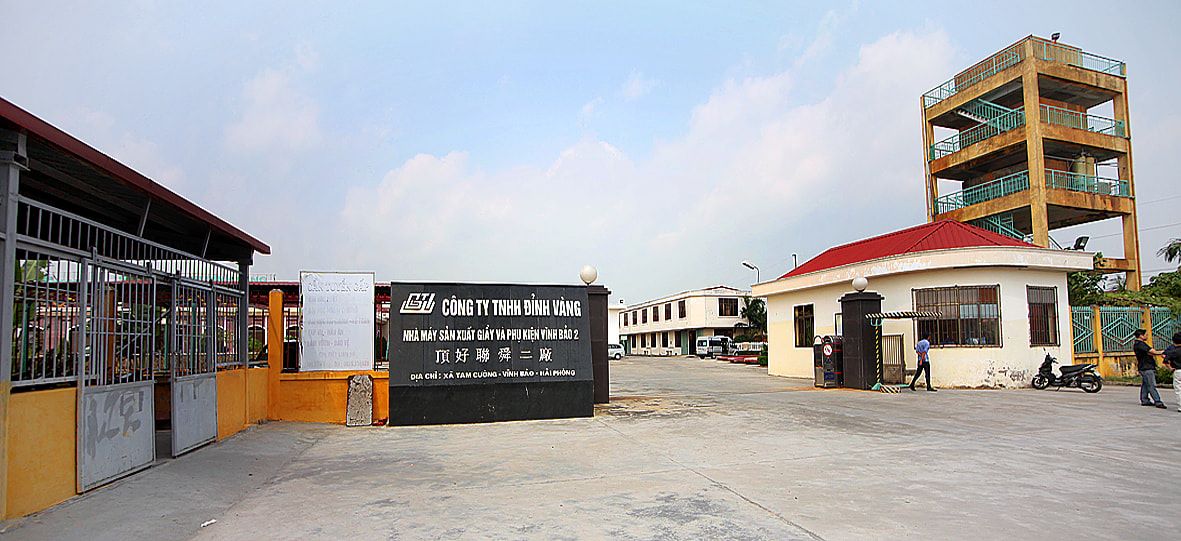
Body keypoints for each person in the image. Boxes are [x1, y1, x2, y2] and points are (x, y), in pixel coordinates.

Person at [1132, 329, 1166, 409]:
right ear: (1141, 335)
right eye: (1146, 335)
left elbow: (1150, 352)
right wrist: (1163, 352)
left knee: (1146, 384)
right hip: (1146, 367)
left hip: (1144, 366)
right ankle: (1158, 401)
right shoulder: (1140, 344)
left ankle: (1144, 399)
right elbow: (1152, 351)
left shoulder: (1139, 344)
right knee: (1151, 385)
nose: (1147, 336)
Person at [1165, 332, 1181, 413]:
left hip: (1177, 371)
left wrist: (1170, 368)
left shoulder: (1172, 351)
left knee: (1178, 389)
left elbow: (1165, 360)